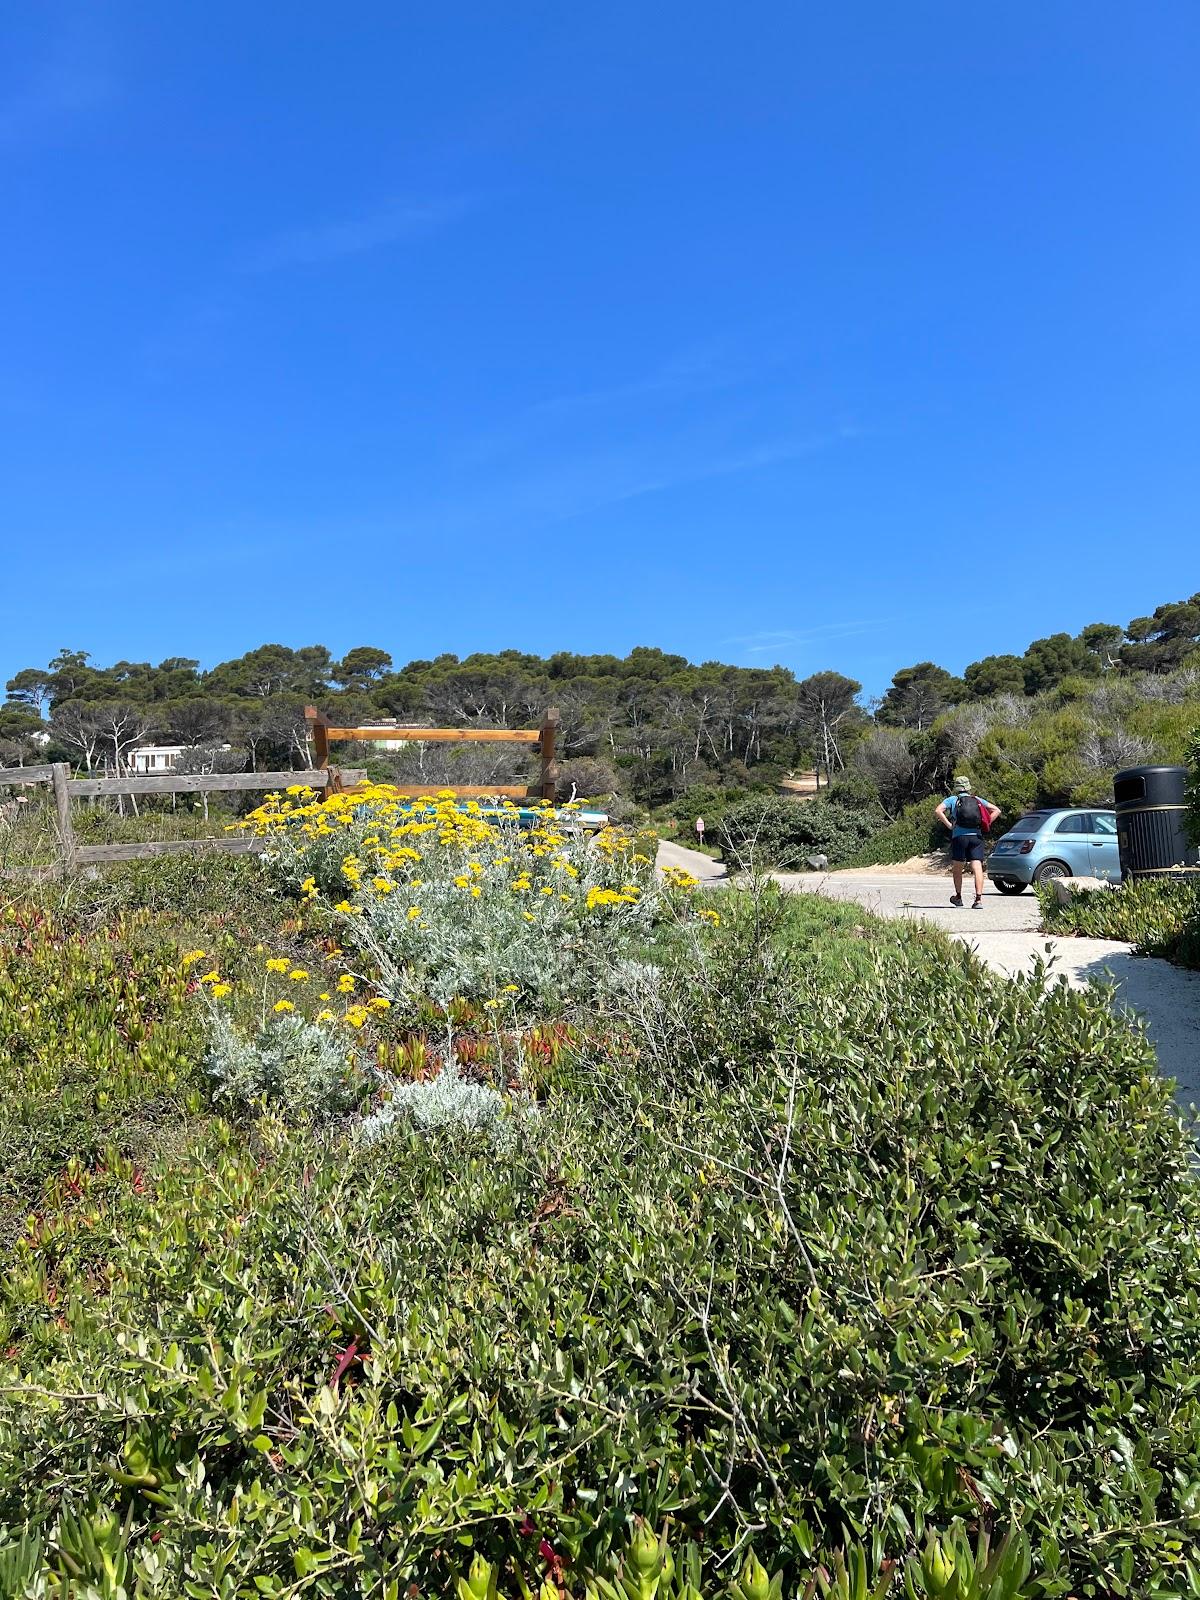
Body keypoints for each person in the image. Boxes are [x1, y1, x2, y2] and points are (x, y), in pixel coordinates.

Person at [935, 776, 1000, 909]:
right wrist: (986, 823)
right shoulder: (977, 800)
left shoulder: (953, 800)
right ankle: (978, 899)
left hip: (959, 837)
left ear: (957, 788)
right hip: (976, 837)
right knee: (977, 868)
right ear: (969, 787)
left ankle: (958, 897)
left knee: (958, 868)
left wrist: (949, 825)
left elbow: (938, 810)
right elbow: (997, 810)